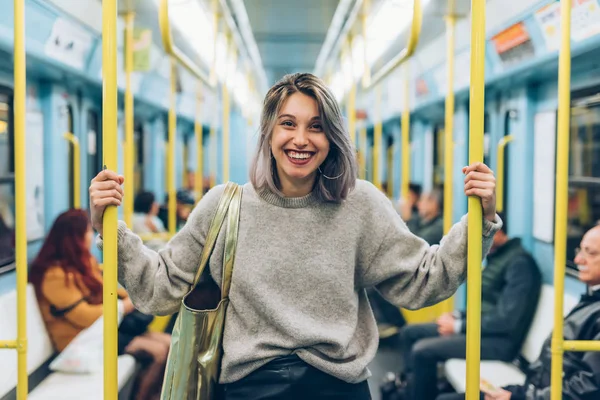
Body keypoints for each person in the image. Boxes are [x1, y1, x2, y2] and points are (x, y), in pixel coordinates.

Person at [89, 72, 501, 400]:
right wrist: (109, 227)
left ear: (331, 140)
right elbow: (159, 287)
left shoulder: (361, 206)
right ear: (269, 133)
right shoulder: (224, 207)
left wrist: (481, 218)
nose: (301, 139)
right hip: (252, 387)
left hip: (338, 386)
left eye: (316, 127)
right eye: (288, 124)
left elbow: (424, 281)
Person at [387, 212, 541, 400]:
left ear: (499, 233)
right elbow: (485, 304)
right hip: (478, 329)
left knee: (423, 350)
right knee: (410, 333)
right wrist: (458, 317)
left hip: (499, 342)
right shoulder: (499, 257)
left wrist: (459, 326)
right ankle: (411, 390)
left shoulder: (520, 264)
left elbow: (506, 320)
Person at [437, 224, 600, 400]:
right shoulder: (590, 300)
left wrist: (518, 397)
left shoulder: (519, 263)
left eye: (590, 253)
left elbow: (588, 387)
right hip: (536, 388)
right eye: (580, 251)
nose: (578, 260)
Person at [29, 209, 171, 400]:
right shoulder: (54, 275)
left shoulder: (82, 262)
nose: (91, 237)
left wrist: (135, 294)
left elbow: (104, 289)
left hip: (100, 332)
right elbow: (84, 316)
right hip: (80, 340)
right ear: (74, 237)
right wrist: (126, 306)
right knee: (159, 352)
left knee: (169, 344)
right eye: (88, 231)